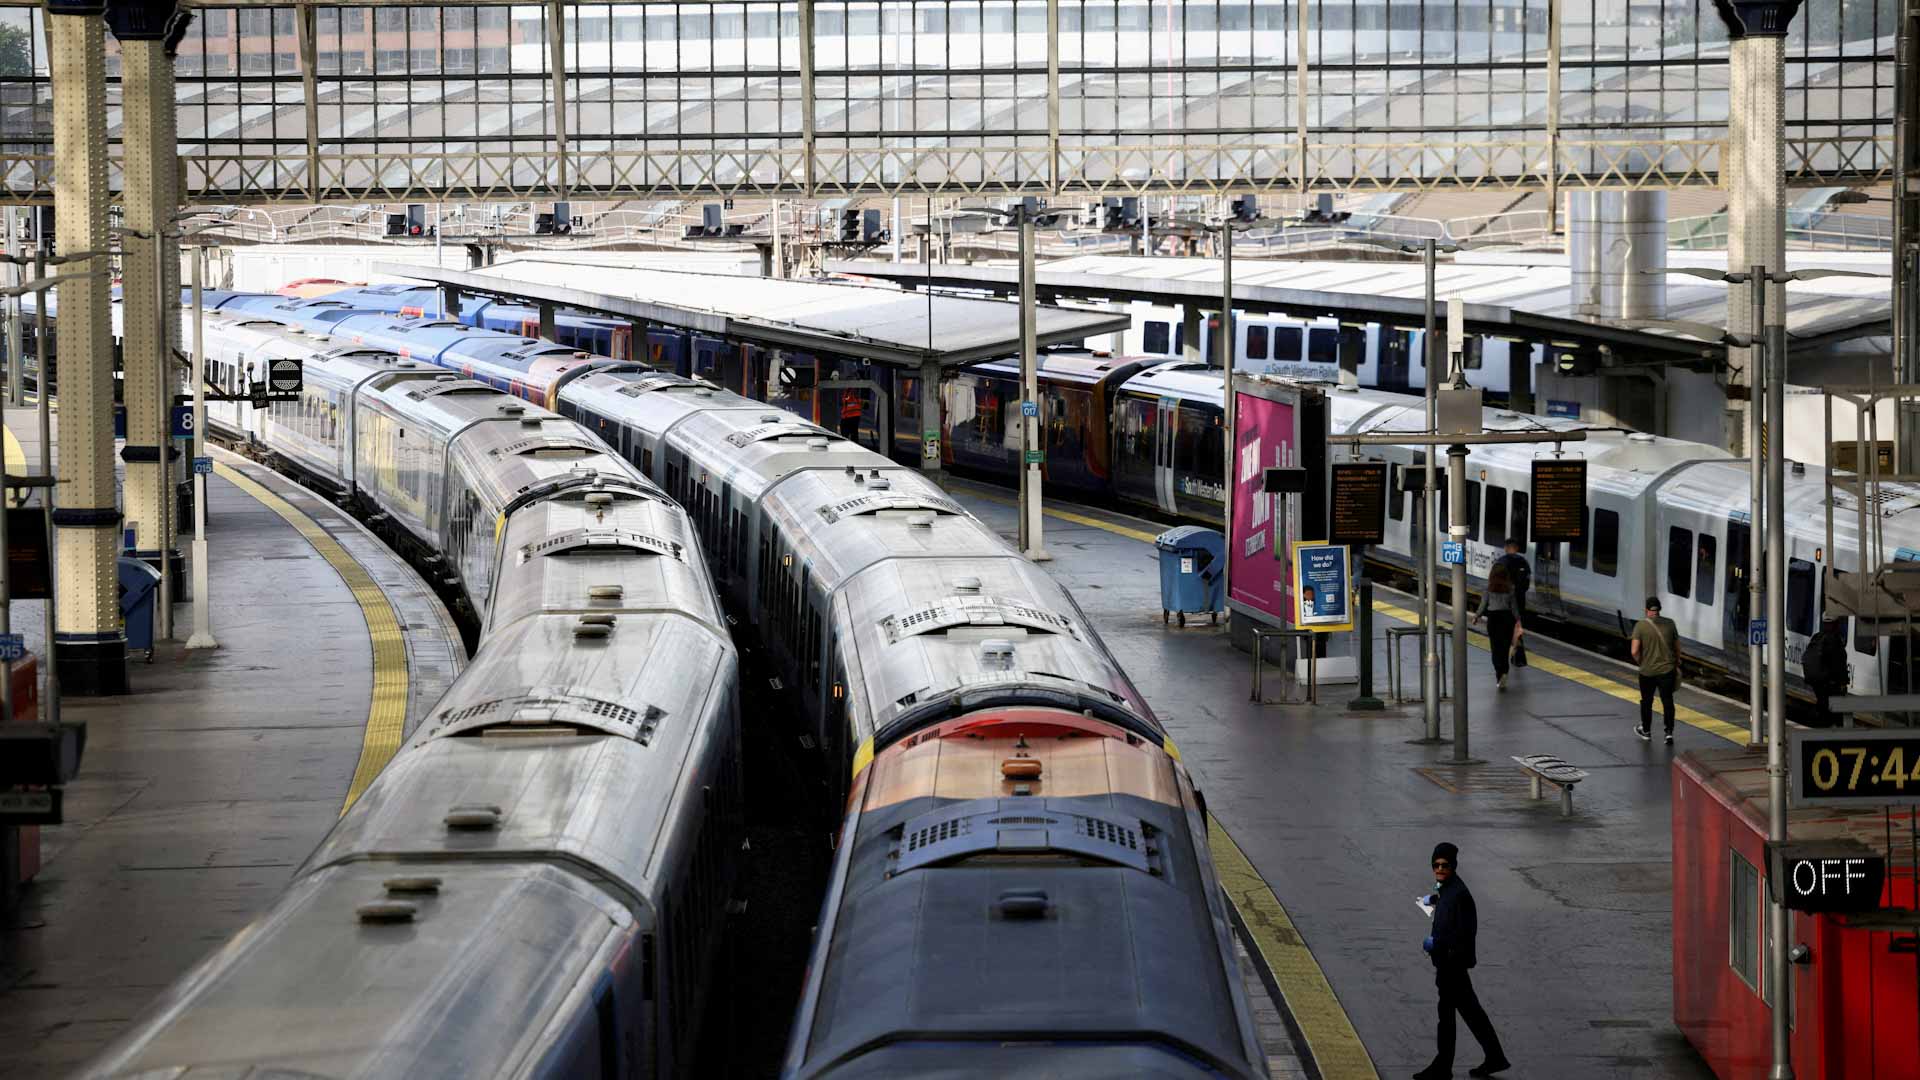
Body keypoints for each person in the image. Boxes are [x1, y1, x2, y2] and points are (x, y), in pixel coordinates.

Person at [1417, 842, 1509, 1079]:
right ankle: (1495, 1057)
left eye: (1445, 865)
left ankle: (1443, 1066)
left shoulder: (1460, 894)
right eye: (1436, 865)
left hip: (1452, 966)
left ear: (1454, 866)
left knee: (1447, 1017)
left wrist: (1437, 945)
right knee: (1471, 1013)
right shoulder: (1447, 888)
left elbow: (1464, 934)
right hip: (1447, 964)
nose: (1439, 869)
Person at [1630, 596, 1681, 744]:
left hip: (1647, 672)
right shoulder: (1670, 624)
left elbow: (1634, 651)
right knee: (1667, 701)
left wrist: (1641, 662)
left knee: (1647, 702)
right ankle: (1669, 733)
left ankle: (1646, 731)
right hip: (1667, 671)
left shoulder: (1640, 626)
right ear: (1659, 609)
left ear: (1646, 610)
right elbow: (1677, 648)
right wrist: (1677, 662)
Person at [1471, 561, 1520, 690]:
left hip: (1494, 619)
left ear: (1492, 575)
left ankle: (1499, 674)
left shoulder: (1488, 589)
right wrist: (1518, 621)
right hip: (1507, 619)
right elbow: (1514, 608)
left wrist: (1476, 616)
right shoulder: (1510, 589)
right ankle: (1505, 672)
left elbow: (1483, 605)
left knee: (1495, 648)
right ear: (1506, 575)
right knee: (1504, 649)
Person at [1803, 617, 1850, 726]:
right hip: (1829, 683)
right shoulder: (1835, 641)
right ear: (1835, 624)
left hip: (1817, 682)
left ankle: (1820, 723)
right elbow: (1839, 664)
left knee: (1823, 705)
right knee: (1834, 712)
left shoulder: (1817, 637)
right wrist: (1843, 683)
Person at [1495, 538, 1531, 668]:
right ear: (1516, 548)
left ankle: (1504, 657)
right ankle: (1518, 658)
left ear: (1506, 548)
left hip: (1504, 602)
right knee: (1517, 628)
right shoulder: (1524, 562)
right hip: (1519, 601)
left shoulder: (1501, 562)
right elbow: (1526, 584)